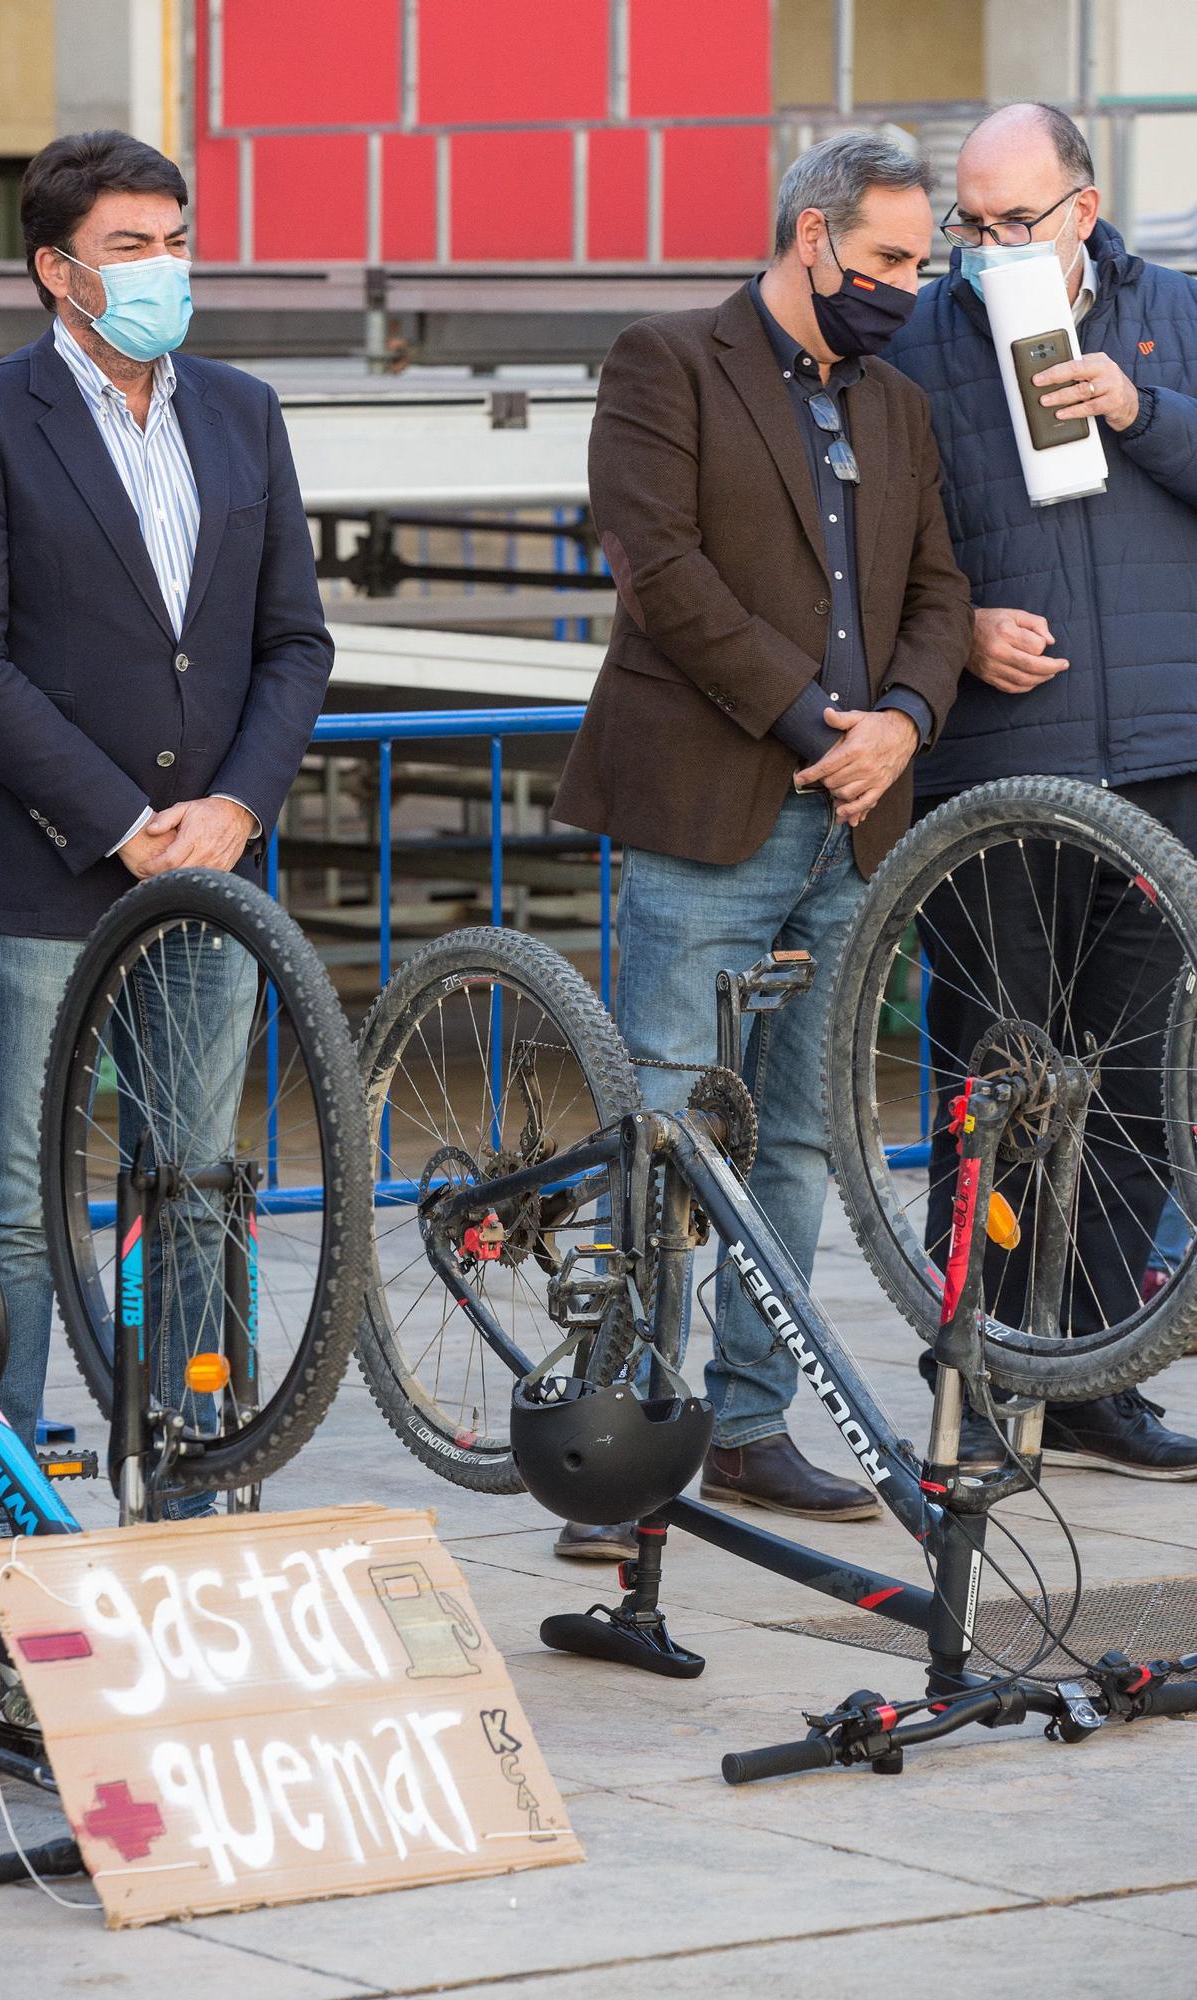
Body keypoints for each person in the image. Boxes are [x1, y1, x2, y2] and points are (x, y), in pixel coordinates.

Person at [0, 130, 334, 1550]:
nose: (164, 269)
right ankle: (4, 1522)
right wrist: (117, 822)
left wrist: (235, 810)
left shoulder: (241, 411)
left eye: (174, 239)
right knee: (21, 1203)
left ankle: (201, 1476)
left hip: (210, 876)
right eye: (132, 246)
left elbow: (292, 643)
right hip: (45, 874)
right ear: (58, 270)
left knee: (197, 1182)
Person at [550, 132, 973, 1558]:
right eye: (888, 262)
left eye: (922, 265)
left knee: (795, 1137)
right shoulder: (665, 362)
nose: (907, 288)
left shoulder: (899, 406)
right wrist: (817, 725)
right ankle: (623, 1452)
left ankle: (745, 1423)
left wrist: (904, 719)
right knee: (664, 1128)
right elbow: (660, 573)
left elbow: (939, 586)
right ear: (810, 237)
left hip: (853, 827)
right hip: (709, 810)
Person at [887, 101, 1197, 1478]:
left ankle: (1093, 1373)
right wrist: (957, 637)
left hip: (1166, 761)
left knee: (1133, 1077)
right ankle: (984, 1367)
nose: (990, 246)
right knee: (997, 1071)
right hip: (999, 770)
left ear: (1084, 206)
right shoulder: (914, 342)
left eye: (1018, 220)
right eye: (972, 223)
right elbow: (864, 546)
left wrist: (1143, 410)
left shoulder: (1176, 316)